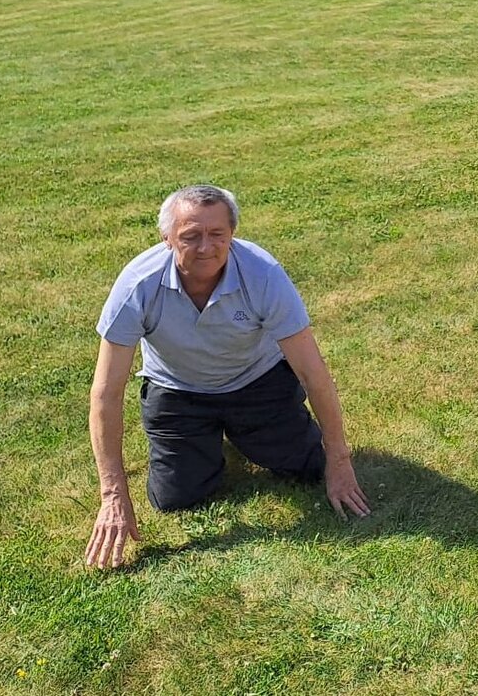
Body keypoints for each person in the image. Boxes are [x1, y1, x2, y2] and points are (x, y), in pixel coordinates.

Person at [84, 185, 369, 569]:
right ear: (167, 238)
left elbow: (312, 371)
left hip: (257, 382)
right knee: (175, 499)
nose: (206, 247)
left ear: (232, 233)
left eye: (217, 234)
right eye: (190, 236)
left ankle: (246, 434)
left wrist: (339, 459)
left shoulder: (263, 274)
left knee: (309, 469)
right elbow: (107, 391)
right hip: (178, 390)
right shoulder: (138, 284)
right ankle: (208, 443)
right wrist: (113, 495)